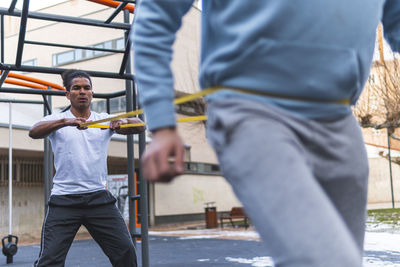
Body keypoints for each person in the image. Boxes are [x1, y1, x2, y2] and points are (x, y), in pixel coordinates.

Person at [132, 1, 400, 266]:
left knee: (346, 260)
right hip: (252, 110)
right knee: (325, 260)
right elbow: (156, 13)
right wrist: (162, 120)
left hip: (338, 117)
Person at [29, 69, 143, 267]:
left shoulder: (103, 120)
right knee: (49, 260)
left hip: (99, 199)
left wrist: (123, 122)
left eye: (86, 88)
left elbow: (140, 124)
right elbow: (34, 132)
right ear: (68, 94)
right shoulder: (55, 120)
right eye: (76, 88)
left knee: (125, 252)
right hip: (64, 200)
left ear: (92, 93)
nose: (82, 91)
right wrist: (65, 122)